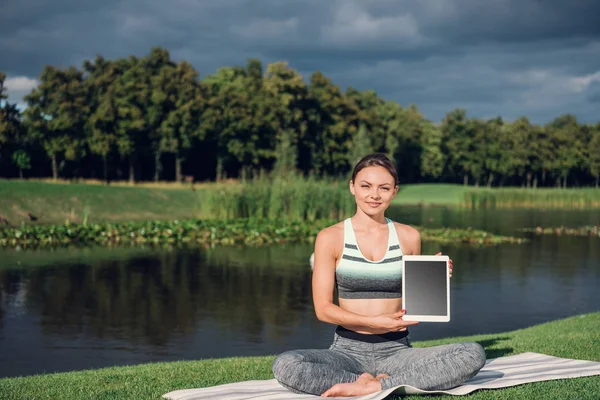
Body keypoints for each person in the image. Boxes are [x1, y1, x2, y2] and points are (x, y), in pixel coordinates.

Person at [272, 153, 486, 397]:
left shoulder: (409, 236)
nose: (374, 195)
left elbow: (412, 305)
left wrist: (433, 279)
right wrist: (374, 322)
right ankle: (380, 382)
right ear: (352, 187)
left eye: (384, 188)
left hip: (397, 350)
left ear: (394, 191)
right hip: (346, 352)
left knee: (472, 353)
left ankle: (373, 385)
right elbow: (323, 309)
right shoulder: (330, 237)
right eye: (366, 186)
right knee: (287, 365)